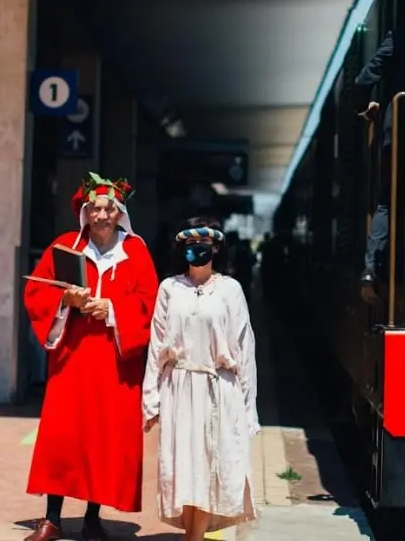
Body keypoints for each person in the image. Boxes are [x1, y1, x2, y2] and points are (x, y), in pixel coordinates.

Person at [22, 173, 160, 541]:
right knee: (63, 436)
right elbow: (36, 290)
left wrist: (112, 309)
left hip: (115, 363)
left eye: (108, 208)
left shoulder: (136, 252)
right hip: (72, 359)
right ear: (86, 212)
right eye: (95, 208)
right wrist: (65, 301)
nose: (101, 215)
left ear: (119, 213)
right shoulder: (66, 247)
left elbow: (150, 304)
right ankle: (51, 518)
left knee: (103, 437)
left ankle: (92, 518)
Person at [142, 217, 260, 541]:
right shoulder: (169, 288)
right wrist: (151, 400)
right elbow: (156, 346)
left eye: (204, 245)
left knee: (211, 466)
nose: (197, 251)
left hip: (218, 390)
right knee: (185, 468)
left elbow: (244, 348)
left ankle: (193, 538)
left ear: (216, 247)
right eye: (191, 246)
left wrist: (248, 407)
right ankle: (190, 536)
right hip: (179, 388)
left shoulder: (230, 290)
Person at [355, 29, 396, 292]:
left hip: (398, 134)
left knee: (386, 202)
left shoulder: (399, 36)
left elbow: (363, 78)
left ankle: (371, 265)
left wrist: (366, 106)